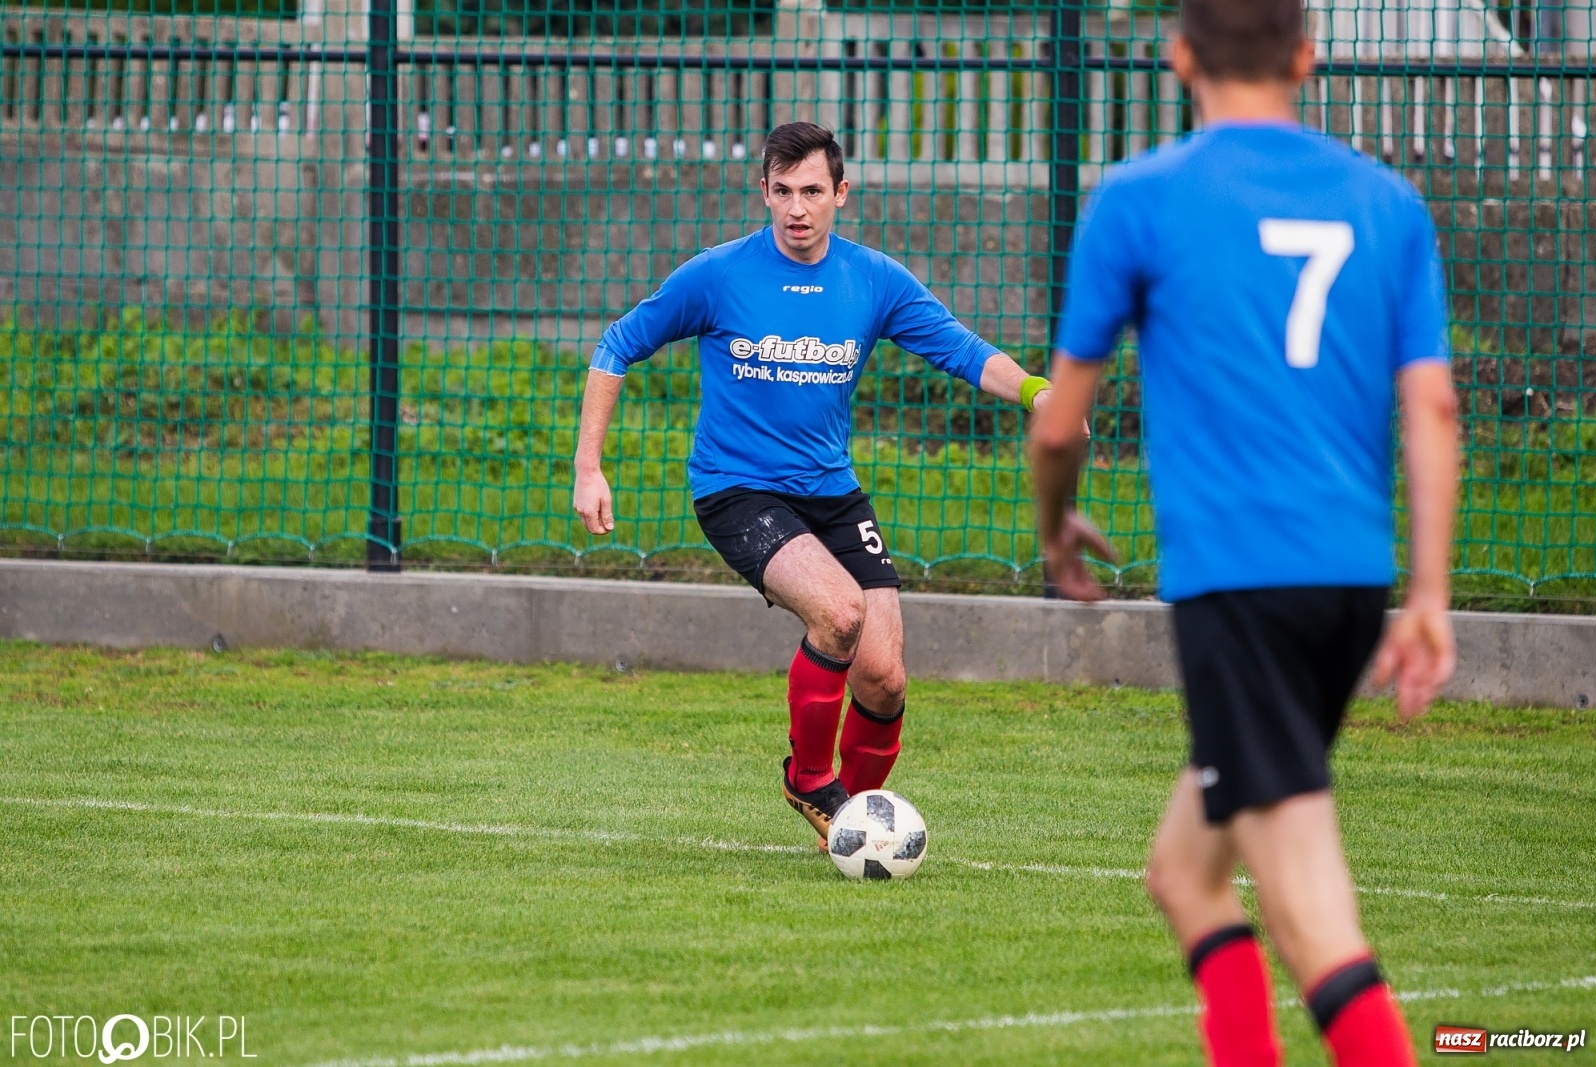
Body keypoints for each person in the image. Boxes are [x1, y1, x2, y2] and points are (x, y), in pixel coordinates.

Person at [1028, 0, 1460, 1063]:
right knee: (1184, 873)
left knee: (1312, 920)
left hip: (1239, 591)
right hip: (1349, 586)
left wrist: (1055, 523)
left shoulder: (1138, 198)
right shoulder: (1388, 202)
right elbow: (1434, 409)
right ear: (1307, 56)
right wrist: (1430, 595)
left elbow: (1055, 422)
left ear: (1176, 55)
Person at [573, 121, 1054, 847]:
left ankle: (860, 824)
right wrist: (589, 467)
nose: (798, 208)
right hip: (738, 489)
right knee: (838, 613)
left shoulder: (873, 278)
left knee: (886, 677)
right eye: (784, 191)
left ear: (841, 195)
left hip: (832, 492)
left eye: (813, 192)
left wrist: (1037, 394)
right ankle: (807, 777)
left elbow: (961, 349)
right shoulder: (719, 275)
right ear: (763, 191)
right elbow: (617, 345)